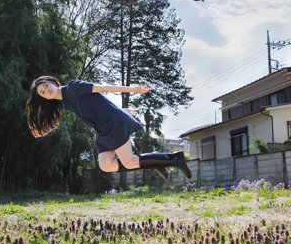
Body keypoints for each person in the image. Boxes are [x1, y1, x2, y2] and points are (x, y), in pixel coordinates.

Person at [25, 76, 191, 179]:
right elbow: (98, 104)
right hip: (102, 130)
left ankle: (174, 159)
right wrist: (122, 110)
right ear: (44, 99)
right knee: (106, 164)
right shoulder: (66, 102)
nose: (46, 90)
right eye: (42, 92)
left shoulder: (73, 88)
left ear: (51, 81)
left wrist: (133, 90)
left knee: (129, 162)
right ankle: (153, 162)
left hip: (113, 124)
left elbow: (103, 89)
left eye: (45, 86)